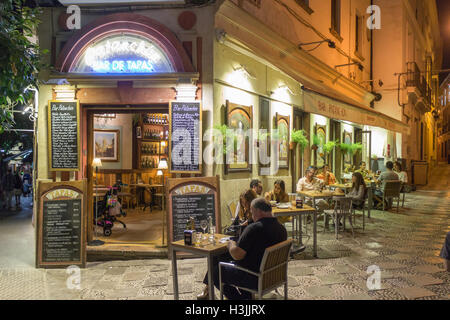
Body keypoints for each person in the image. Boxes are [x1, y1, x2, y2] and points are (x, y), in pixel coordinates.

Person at [197, 198, 287, 300]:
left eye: (252, 212)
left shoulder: (254, 229)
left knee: (216, 272)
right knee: (219, 257)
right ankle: (245, 297)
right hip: (274, 277)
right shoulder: (281, 229)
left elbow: (237, 255)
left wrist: (231, 244)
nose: (252, 216)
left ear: (258, 211)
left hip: (254, 278)